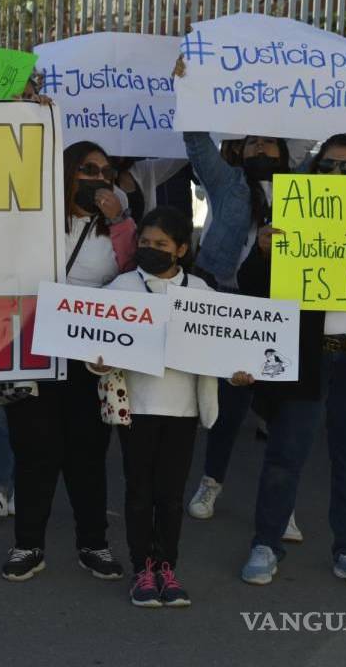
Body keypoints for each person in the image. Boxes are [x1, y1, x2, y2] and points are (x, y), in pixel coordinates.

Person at [236, 133, 346, 590]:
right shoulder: (290, 217)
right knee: (284, 455)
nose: (337, 174)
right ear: (315, 171)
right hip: (305, 356)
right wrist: (262, 252)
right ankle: (266, 543)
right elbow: (251, 284)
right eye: (329, 165)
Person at [98, 206, 246, 607]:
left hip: (182, 411)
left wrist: (238, 371)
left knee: (170, 494)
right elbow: (94, 344)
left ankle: (167, 566)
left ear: (181, 248)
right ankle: (142, 568)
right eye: (144, 242)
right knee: (139, 491)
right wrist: (98, 360)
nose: (151, 249)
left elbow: (227, 345)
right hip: (137, 410)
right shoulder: (121, 289)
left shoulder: (202, 294)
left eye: (160, 244)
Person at [0, 141, 135, 583]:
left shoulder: (119, 226)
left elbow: (135, 279)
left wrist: (118, 220)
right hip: (33, 349)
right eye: (88, 169)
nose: (98, 178)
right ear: (67, 172)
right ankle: (28, 545)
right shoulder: (34, 218)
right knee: (34, 451)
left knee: (87, 455)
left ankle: (93, 544)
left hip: (87, 357)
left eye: (106, 171)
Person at [180, 129, 302, 543]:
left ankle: (281, 506)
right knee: (231, 406)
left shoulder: (308, 187)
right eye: (252, 142)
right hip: (230, 303)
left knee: (282, 412)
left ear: (286, 151)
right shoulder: (227, 182)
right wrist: (191, 88)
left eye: (270, 141)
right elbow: (196, 144)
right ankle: (211, 481)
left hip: (284, 311)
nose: (261, 147)